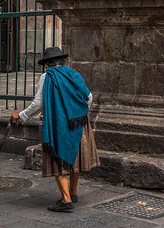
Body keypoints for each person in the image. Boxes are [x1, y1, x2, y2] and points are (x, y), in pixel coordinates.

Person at [11, 47, 99, 212]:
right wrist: (77, 113)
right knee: (74, 158)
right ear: (62, 61)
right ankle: (73, 192)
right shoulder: (73, 74)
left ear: (46, 65)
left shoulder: (47, 77)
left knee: (58, 158)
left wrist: (21, 115)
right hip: (78, 123)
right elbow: (89, 97)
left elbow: (38, 104)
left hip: (59, 124)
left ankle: (66, 199)